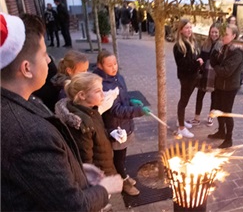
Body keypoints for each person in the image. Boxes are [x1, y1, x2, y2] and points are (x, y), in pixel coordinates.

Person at [1, 12, 122, 211]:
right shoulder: (29, 134)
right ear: (26, 68)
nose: (49, 59)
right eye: (43, 53)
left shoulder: (22, 102)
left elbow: (36, 175)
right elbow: (73, 206)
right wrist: (105, 188)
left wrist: (74, 170)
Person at [93, 50, 151, 196]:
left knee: (122, 156)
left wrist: (131, 101)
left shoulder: (119, 77)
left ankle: (123, 175)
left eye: (115, 63)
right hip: (115, 127)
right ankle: (123, 183)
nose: (114, 68)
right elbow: (116, 110)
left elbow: (122, 98)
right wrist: (138, 111)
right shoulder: (102, 85)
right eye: (109, 65)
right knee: (118, 158)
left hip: (125, 125)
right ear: (100, 66)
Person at [55, 72, 118, 176]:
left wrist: (112, 134)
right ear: (82, 95)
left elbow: (98, 136)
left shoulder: (92, 111)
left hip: (105, 167)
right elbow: (86, 161)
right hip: (99, 176)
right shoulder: (82, 123)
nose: (103, 94)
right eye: (98, 91)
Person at [207, 24, 243, 149]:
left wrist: (216, 67)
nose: (223, 36)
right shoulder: (223, 47)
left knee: (227, 113)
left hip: (229, 87)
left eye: (226, 34)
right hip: (219, 85)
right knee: (217, 109)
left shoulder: (237, 52)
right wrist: (217, 65)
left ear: (234, 36)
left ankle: (229, 138)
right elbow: (212, 60)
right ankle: (221, 131)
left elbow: (226, 71)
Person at [173, 19, 203, 139]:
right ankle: (181, 128)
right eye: (186, 28)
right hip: (186, 78)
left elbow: (195, 56)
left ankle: (180, 121)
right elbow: (183, 65)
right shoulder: (179, 46)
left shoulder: (193, 42)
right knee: (183, 101)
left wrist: (198, 62)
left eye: (190, 27)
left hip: (194, 76)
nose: (189, 30)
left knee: (185, 101)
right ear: (181, 30)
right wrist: (198, 63)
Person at [186, 23, 221, 127]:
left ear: (219, 33)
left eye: (216, 32)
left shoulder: (221, 45)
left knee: (214, 97)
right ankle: (197, 118)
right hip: (204, 73)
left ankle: (211, 116)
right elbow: (201, 55)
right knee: (199, 96)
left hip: (215, 74)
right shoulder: (205, 43)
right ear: (209, 32)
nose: (213, 34)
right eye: (212, 32)